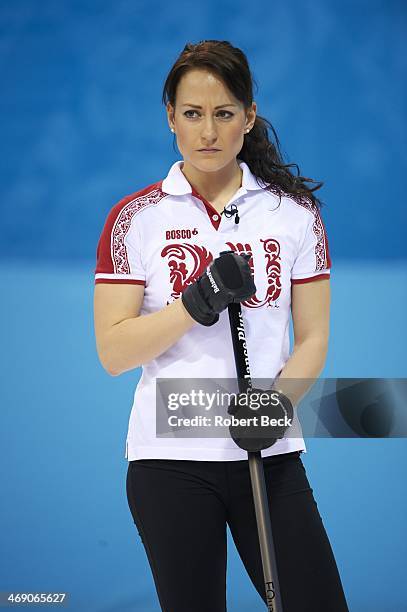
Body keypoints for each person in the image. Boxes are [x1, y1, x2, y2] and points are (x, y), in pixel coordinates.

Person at [93, 40, 349, 612]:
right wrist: (196, 301)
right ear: (171, 119)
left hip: (270, 452)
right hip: (169, 463)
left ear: (249, 117)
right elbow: (113, 351)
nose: (208, 131)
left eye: (224, 113)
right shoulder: (135, 218)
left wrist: (277, 406)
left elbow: (313, 337)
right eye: (192, 114)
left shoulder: (293, 214)